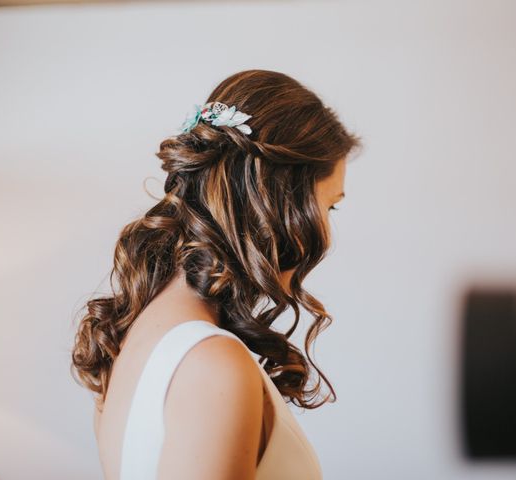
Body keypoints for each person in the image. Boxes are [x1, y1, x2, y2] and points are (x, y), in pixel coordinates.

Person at [70, 69, 362, 480]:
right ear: (277, 200)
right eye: (329, 207)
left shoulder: (133, 335)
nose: (327, 235)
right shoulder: (212, 364)